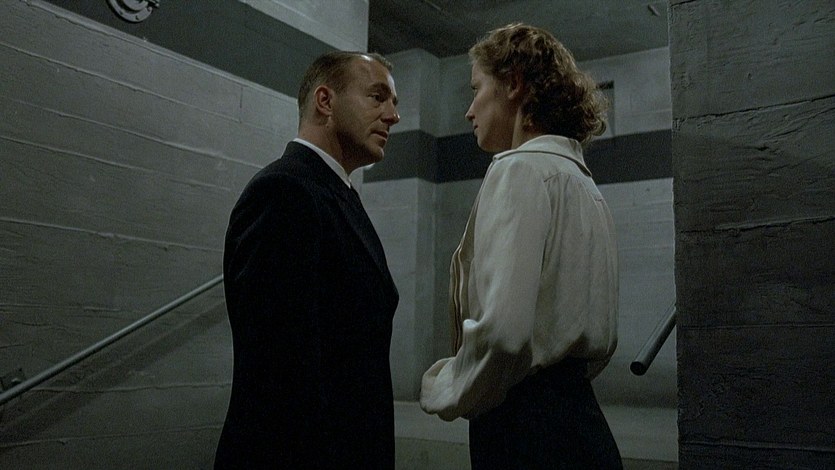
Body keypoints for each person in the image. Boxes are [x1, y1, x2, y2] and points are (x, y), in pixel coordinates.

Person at [420, 23, 622, 469]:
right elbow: (601, 339)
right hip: (581, 422)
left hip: (525, 431)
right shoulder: (583, 183)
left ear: (513, 84)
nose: (469, 111)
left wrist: (448, 387)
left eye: (476, 89)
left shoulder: (517, 170)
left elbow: (505, 337)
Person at [214, 51, 401, 469]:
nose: (393, 115)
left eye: (393, 102)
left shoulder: (335, 193)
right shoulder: (285, 192)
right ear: (325, 101)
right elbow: (279, 375)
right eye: (378, 97)